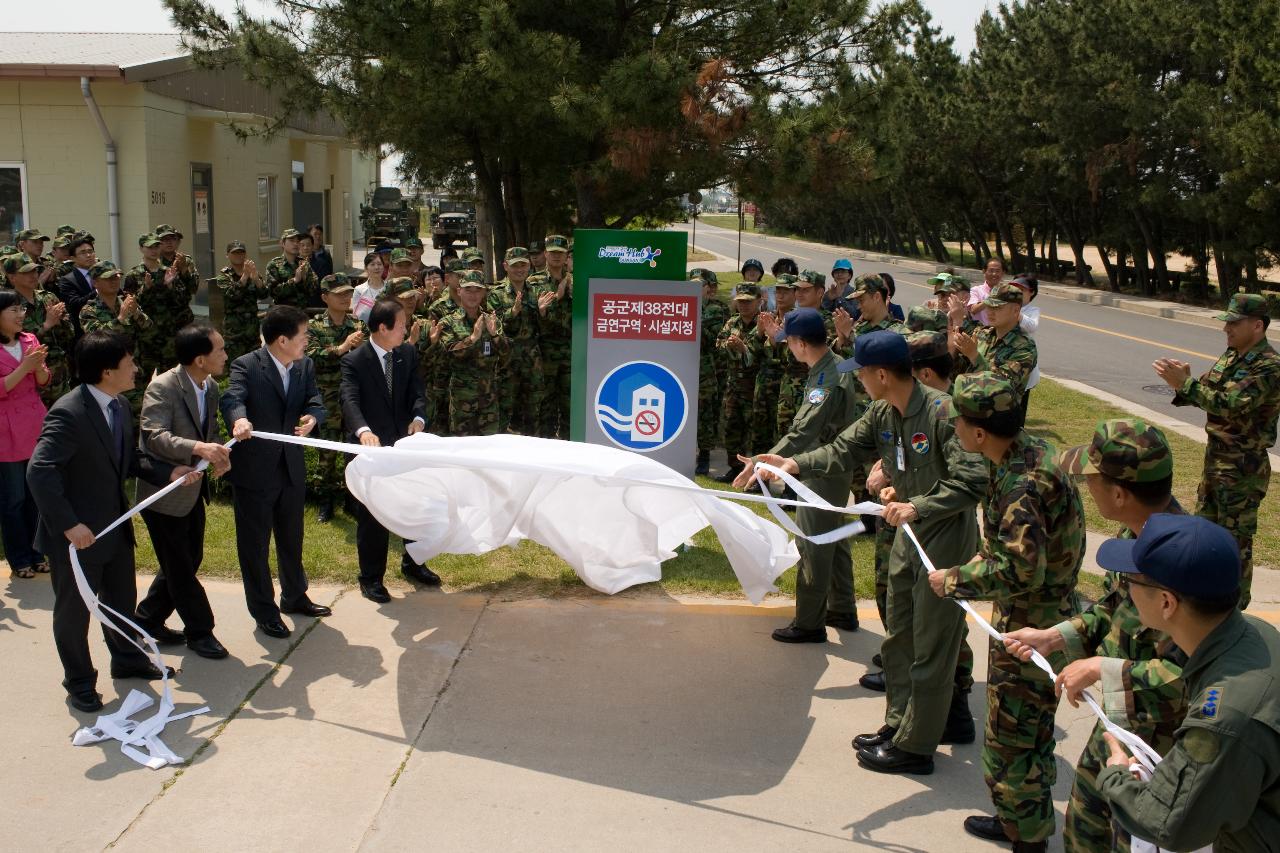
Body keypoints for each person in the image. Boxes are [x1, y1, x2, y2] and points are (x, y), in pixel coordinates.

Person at [752, 330, 987, 774]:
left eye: (860, 371)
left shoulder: (942, 412)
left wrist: (919, 505)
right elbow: (844, 450)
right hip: (907, 537)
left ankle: (917, 748)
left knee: (932, 645)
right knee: (899, 634)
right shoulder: (883, 411)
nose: (856, 379)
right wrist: (792, 463)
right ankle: (899, 725)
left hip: (944, 540)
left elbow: (972, 480)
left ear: (881, 374)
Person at [1004, 419, 1185, 853]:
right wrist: (1055, 636)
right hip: (1119, 728)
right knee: (1084, 828)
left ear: (1120, 494)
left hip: (1159, 748)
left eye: (1092, 479)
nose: (1086, 486)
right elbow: (1113, 609)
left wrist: (1102, 668)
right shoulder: (1136, 534)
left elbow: (1188, 676)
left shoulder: (1178, 561)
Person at [928, 372, 1085, 852]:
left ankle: (1028, 838)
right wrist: (982, 556)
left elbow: (1022, 569)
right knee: (1020, 735)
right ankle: (1016, 819)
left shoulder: (1021, 483)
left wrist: (953, 580)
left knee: (1014, 742)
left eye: (958, 422)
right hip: (1028, 616)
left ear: (979, 433)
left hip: (1031, 626)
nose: (953, 428)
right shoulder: (1019, 453)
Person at [27, 331, 194, 713]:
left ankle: (128, 660)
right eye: (129, 362)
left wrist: (170, 472)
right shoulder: (69, 413)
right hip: (77, 537)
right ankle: (80, 683)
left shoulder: (118, 405)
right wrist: (69, 524)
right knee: (74, 612)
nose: (136, 368)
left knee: (121, 602)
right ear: (106, 371)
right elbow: (40, 472)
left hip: (114, 528)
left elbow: (130, 461)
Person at [1092, 514, 1280, 851]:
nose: (1126, 589)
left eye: (1130, 579)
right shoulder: (1256, 633)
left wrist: (1117, 772)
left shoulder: (1223, 719)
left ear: (1167, 602)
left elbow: (1164, 823)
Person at [733, 308, 859, 640]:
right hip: (834, 464)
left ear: (800, 343)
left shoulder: (825, 380)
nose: (786, 346)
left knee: (812, 543)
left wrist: (764, 461)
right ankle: (842, 608)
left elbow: (802, 432)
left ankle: (809, 623)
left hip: (821, 467)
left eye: (787, 340)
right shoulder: (835, 363)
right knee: (834, 535)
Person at [1153, 289, 1280, 610]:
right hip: (1216, 462)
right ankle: (1207, 603)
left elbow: (1231, 404)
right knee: (1206, 536)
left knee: (1234, 542)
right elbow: (1210, 388)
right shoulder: (1233, 355)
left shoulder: (1269, 366)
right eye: (1227, 322)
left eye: (1235, 323)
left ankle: (1236, 607)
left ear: (1258, 326)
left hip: (1243, 469)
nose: (1227, 328)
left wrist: (1186, 385)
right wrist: (1185, 382)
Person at [219, 305, 329, 638]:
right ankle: (264, 610)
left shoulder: (304, 365)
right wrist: (239, 419)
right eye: (304, 335)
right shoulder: (247, 365)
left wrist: (313, 417)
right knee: (255, 546)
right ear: (282, 340)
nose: (308, 340)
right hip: (255, 471)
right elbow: (231, 397)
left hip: (290, 468)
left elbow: (314, 398)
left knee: (291, 537)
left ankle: (295, 596)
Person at [134, 324, 232, 660]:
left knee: (189, 558)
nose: (225, 355)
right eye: (220, 350)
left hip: (191, 490)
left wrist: (218, 453)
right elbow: (153, 436)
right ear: (201, 359)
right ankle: (200, 631)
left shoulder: (211, 387)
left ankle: (146, 620)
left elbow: (212, 430)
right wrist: (198, 448)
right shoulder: (163, 387)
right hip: (162, 492)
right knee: (179, 566)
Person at [340, 298, 438, 602]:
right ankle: (370, 578)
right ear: (382, 328)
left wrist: (419, 419)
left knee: (413, 507)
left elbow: (417, 392)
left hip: (405, 446)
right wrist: (364, 431)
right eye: (401, 326)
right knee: (373, 515)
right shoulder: (355, 360)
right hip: (372, 452)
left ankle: (414, 563)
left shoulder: (406, 354)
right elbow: (349, 401)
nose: (406, 331)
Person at [306, 273, 365, 523]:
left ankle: (352, 500)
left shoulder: (358, 325)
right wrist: (342, 349)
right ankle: (325, 501)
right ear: (324, 297)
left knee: (353, 451)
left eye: (347, 293)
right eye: (339, 294)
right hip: (327, 397)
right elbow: (310, 356)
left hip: (351, 397)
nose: (345, 297)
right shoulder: (314, 326)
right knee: (327, 452)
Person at [0, 288, 50, 579]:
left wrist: (38, 366)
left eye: (22, 310)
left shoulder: (30, 340)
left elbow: (42, 380)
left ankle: (37, 552)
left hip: (34, 422)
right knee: (13, 498)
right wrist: (26, 366)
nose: (21, 315)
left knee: (36, 495)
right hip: (6, 430)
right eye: (13, 311)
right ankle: (19, 558)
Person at [438, 271, 509, 435]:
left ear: (484, 293)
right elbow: (448, 354)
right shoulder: (448, 322)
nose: (473, 294)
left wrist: (494, 336)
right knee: (462, 448)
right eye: (468, 289)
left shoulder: (492, 320)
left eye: (477, 290)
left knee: (489, 448)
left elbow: (507, 354)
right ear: (459, 291)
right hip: (462, 399)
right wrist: (473, 338)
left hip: (489, 398)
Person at [79, 261, 151, 418]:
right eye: (108, 278)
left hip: (135, 371)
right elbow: (98, 340)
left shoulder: (126, 302)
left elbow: (148, 329)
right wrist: (121, 318)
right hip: (109, 376)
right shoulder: (89, 310)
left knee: (142, 418)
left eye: (116, 277)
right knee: (115, 419)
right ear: (95, 282)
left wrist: (136, 313)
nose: (114, 281)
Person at [4, 253, 72, 407]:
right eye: (26, 272)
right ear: (12, 277)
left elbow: (70, 334)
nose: (33, 276)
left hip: (60, 375)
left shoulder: (48, 298)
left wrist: (59, 322)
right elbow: (14, 342)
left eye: (34, 271)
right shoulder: (8, 305)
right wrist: (46, 325)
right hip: (31, 378)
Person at [953, 282, 1038, 403]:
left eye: (997, 307)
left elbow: (1000, 386)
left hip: (998, 416)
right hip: (969, 407)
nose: (990, 312)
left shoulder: (1025, 348)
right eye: (989, 305)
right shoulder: (982, 333)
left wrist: (974, 355)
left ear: (1016, 310)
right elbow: (960, 372)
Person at [489, 247, 543, 435]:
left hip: (531, 359)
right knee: (505, 407)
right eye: (515, 266)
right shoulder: (496, 293)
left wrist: (543, 312)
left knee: (533, 408)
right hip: (507, 360)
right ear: (505, 266)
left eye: (523, 265)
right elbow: (496, 326)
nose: (520, 269)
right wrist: (513, 312)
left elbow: (546, 329)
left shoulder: (537, 292)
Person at [716, 282, 765, 482]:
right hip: (733, 387)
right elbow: (719, 345)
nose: (743, 305)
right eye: (740, 301)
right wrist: (733, 349)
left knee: (756, 433)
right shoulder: (732, 323)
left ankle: (757, 475)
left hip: (756, 388)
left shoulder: (763, 322)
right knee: (731, 428)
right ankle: (735, 468)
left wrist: (743, 349)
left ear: (759, 301)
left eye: (748, 301)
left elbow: (765, 352)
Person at [531, 235, 572, 439]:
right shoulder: (533, 282)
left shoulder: (577, 281)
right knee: (545, 406)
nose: (556, 256)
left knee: (570, 406)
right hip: (544, 354)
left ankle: (569, 449)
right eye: (552, 252)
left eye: (560, 253)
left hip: (571, 354)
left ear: (566, 256)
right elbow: (531, 321)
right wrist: (558, 298)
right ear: (545, 254)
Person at [693, 268, 728, 475]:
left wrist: (693, 313)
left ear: (709, 289)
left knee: (706, 413)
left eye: (700, 285)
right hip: (682, 366)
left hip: (705, 369)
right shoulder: (679, 305)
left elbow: (708, 340)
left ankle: (704, 454)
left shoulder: (716, 309)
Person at [215, 240, 268, 364]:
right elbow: (231, 296)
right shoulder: (224, 276)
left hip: (252, 333)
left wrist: (256, 279)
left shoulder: (253, 273)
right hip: (234, 334)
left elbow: (264, 294)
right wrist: (245, 276)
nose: (238, 255)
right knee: (235, 368)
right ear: (227, 255)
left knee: (255, 368)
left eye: (241, 252)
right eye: (235, 253)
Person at [56, 233, 97, 343]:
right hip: (82, 334)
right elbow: (74, 304)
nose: (88, 255)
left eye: (90, 251)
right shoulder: (67, 280)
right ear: (73, 258)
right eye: (83, 253)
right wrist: (98, 291)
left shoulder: (102, 275)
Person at [266, 228, 318, 308]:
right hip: (283, 313)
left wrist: (304, 279)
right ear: (282, 243)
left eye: (297, 241)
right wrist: (294, 280)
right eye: (291, 241)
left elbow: (313, 290)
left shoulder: (304, 263)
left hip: (302, 312)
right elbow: (273, 292)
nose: (295, 244)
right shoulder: (274, 265)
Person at [351, 251, 387, 324]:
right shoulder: (359, 290)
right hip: (365, 331)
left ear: (383, 267)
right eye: (372, 264)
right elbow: (356, 316)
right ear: (366, 268)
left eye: (379, 264)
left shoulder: (390, 287)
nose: (376, 267)